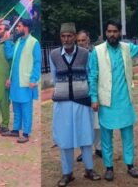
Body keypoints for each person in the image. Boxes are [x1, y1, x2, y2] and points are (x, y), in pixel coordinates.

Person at [89, 19, 138, 181]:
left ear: (120, 33)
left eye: (115, 31)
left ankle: (130, 165)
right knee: (106, 137)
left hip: (124, 101)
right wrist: (94, 98)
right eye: (109, 31)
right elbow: (93, 76)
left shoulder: (127, 48)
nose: (112, 34)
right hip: (106, 102)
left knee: (128, 136)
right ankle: (109, 168)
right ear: (106, 33)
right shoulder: (97, 51)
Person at [50, 23, 101, 187]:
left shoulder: (86, 54)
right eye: (63, 36)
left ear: (74, 37)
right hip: (63, 103)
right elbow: (54, 77)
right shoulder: (54, 54)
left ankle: (89, 169)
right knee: (65, 139)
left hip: (82, 101)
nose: (67, 39)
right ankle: (67, 173)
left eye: (70, 36)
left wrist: (93, 98)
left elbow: (90, 76)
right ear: (61, 37)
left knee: (86, 136)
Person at [2, 19, 41, 143]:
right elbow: (10, 57)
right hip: (15, 81)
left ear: (26, 28)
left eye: (19, 26)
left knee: (26, 108)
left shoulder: (34, 42)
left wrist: (34, 79)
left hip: (26, 82)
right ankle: (15, 130)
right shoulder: (18, 41)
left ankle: (26, 133)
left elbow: (37, 63)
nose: (17, 28)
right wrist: (7, 41)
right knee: (16, 107)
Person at [75, 29, 101, 163]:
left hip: (94, 93)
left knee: (97, 123)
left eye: (83, 40)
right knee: (83, 124)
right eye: (78, 41)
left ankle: (99, 147)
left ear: (88, 40)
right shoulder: (73, 57)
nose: (80, 43)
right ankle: (85, 151)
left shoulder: (94, 55)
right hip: (79, 95)